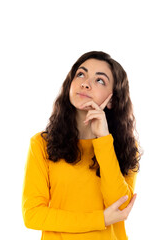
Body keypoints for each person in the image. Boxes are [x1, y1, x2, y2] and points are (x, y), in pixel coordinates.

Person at [22, 51, 142, 240]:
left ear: (112, 100)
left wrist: (103, 139)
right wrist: (100, 219)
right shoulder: (41, 144)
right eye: (81, 74)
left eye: (100, 80)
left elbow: (120, 207)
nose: (85, 83)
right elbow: (33, 215)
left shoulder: (125, 146)